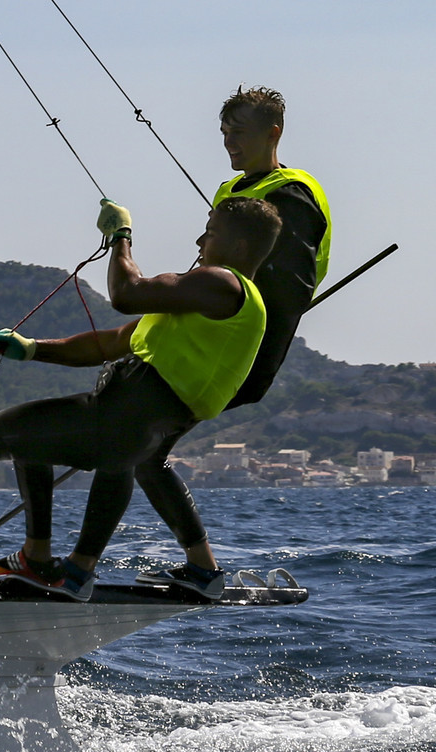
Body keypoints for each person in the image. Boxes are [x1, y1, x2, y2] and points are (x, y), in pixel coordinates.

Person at [0, 195, 282, 604]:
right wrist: (31, 349)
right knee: (32, 440)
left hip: (120, 417)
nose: (199, 243)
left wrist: (121, 236)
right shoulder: (208, 307)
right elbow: (110, 342)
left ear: (239, 246)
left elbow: (126, 292)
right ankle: (44, 561)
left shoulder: (222, 283)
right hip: (132, 429)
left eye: (209, 234)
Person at [128, 86, 330, 598]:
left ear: (273, 132)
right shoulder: (236, 192)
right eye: (223, 133)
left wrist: (247, 356)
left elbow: (286, 291)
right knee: (138, 450)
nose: (229, 143)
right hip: (203, 345)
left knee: (133, 443)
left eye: (238, 133)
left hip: (233, 355)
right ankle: (201, 569)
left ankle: (79, 565)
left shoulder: (291, 197)